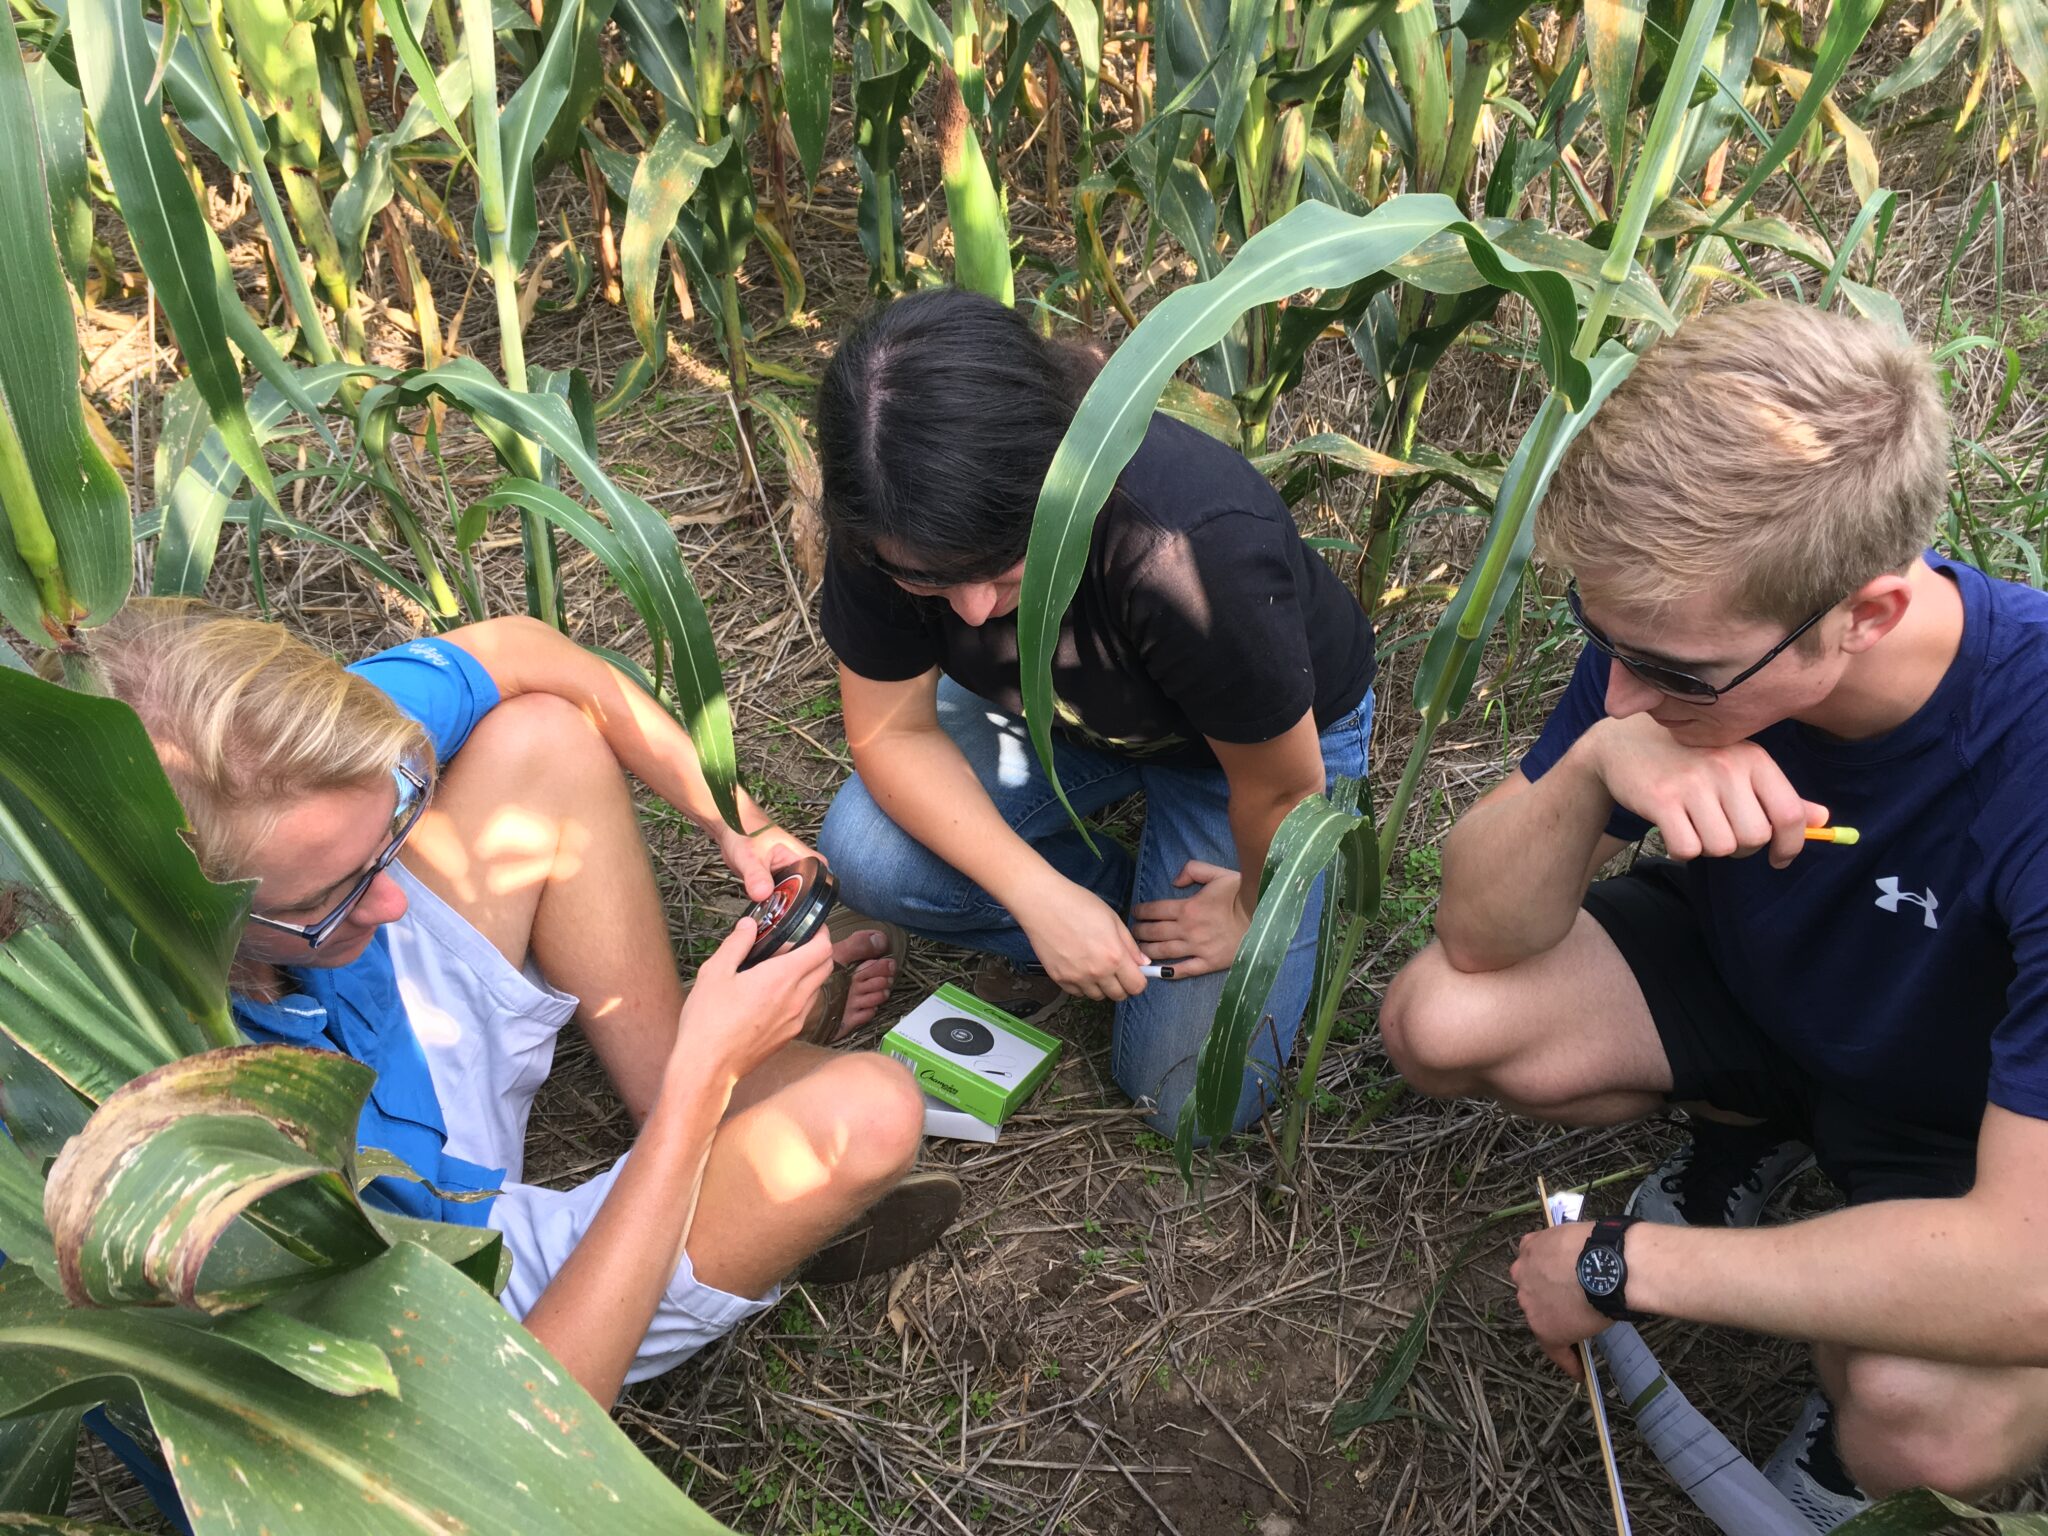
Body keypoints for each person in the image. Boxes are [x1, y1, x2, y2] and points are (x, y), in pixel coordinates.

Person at [1378, 302, 2048, 1527]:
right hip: (1766, 985)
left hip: (1967, 1125)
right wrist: (1596, 765)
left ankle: (1859, 1457)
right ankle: (1753, 1125)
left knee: (1919, 1414)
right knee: (1442, 1017)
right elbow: (1477, 939)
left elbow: (2030, 1273)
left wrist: (1627, 1264)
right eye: (1601, 640)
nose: (1624, 689)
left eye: (1675, 675)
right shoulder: (1676, 625)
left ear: (1868, 613)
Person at [89, 598, 959, 1405]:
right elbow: (525, 1423)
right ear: (184, 911)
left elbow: (527, 651)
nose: (394, 903)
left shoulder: (259, 753)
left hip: (380, 1034)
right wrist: (706, 1080)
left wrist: (739, 822)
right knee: (874, 1113)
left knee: (542, 736)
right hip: (428, 1263)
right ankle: (707, 1128)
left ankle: (676, 1087)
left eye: (393, 822)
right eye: (327, 897)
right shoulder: (174, 1121)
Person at [811, 288, 1377, 1135]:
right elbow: (892, 729)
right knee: (865, 851)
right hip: (1061, 716)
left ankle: (1226, 909)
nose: (968, 610)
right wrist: (1041, 897)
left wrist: (1250, 905)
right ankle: (1121, 904)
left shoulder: (1186, 549)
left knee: (1190, 1101)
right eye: (929, 580)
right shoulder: (892, 511)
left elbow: (1278, 790)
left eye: (1003, 565)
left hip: (1255, 762)